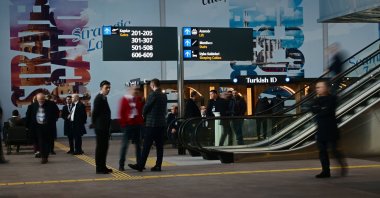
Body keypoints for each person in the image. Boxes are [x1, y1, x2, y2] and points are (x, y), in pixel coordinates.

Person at [129, 78, 167, 172]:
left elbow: (147, 106)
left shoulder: (153, 94)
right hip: (161, 124)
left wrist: (143, 114)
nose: (150, 87)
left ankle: (140, 165)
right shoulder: (163, 95)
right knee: (159, 146)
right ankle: (158, 166)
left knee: (146, 145)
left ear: (153, 85)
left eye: (150, 85)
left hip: (152, 124)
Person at [311, 81, 347, 178]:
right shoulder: (316, 100)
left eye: (319, 87)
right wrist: (320, 109)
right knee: (322, 151)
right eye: (317, 87)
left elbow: (326, 111)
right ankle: (325, 171)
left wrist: (320, 109)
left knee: (334, 150)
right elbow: (314, 110)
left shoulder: (332, 99)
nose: (317, 89)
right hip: (321, 128)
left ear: (326, 88)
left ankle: (342, 165)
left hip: (331, 128)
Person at [25, 92, 59, 164]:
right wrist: (27, 126)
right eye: (40, 100)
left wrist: (54, 120)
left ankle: (44, 157)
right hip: (37, 128)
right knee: (39, 142)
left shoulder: (51, 104)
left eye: (43, 99)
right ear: (37, 99)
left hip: (47, 127)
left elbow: (57, 112)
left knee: (47, 142)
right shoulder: (32, 106)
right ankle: (43, 154)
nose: (42, 101)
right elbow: (28, 117)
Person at [118, 86, 144, 171]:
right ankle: (121, 164)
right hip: (127, 126)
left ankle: (140, 164)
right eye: (135, 89)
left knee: (138, 146)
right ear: (130, 90)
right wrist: (124, 125)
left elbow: (140, 111)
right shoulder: (124, 99)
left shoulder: (138, 99)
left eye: (137, 90)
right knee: (125, 145)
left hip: (137, 125)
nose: (136, 91)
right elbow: (121, 113)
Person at [92, 80, 113, 174]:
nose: (108, 89)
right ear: (101, 88)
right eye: (106, 88)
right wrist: (94, 123)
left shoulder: (104, 97)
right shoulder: (99, 98)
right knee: (100, 148)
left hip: (104, 127)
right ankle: (99, 168)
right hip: (100, 128)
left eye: (109, 88)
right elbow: (95, 112)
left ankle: (103, 166)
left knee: (104, 147)